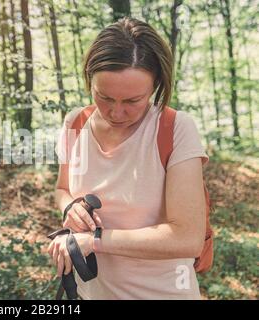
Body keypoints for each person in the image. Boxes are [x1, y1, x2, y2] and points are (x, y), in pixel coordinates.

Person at [48, 17, 209, 300]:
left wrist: (95, 241)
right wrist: (70, 207)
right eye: (104, 97)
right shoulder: (75, 123)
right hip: (90, 293)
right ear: (89, 78)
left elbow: (187, 238)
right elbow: (62, 190)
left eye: (133, 101)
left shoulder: (174, 129)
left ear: (156, 85)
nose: (116, 112)